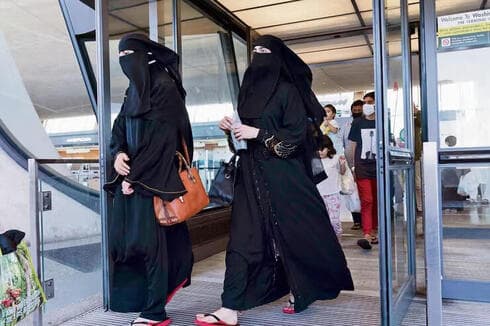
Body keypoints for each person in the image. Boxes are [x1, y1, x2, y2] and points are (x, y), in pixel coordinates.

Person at [195, 35, 353, 326]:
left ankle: (302, 288)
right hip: (251, 176)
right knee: (243, 239)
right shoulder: (247, 92)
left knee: (296, 236)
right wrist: (229, 130)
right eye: (255, 52)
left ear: (277, 57)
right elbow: (238, 144)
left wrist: (259, 134)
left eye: (264, 51)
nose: (259, 56)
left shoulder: (288, 91)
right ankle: (230, 307)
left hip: (286, 178)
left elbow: (294, 140)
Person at [103, 33, 194, 326]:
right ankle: (137, 301)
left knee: (153, 247)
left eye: (128, 55)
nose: (123, 62)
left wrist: (136, 177)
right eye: (119, 57)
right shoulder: (134, 89)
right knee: (128, 242)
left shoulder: (165, 87)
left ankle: (155, 312)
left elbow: (162, 140)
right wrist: (117, 156)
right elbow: (118, 129)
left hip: (154, 180)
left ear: (144, 56)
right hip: (131, 179)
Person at [347, 92, 378, 250]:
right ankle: (366, 233)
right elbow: (352, 146)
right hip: (362, 166)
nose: (366, 105)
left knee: (377, 200)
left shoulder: (382, 122)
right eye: (365, 102)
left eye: (370, 102)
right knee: (367, 200)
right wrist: (351, 165)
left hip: (378, 167)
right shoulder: (358, 122)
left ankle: (374, 231)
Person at [317, 135, 347, 238]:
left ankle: (337, 237)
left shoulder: (336, 158)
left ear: (329, 148)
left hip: (333, 193)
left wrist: (343, 164)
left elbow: (342, 172)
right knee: (321, 219)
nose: (320, 152)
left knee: (334, 220)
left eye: (322, 149)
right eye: (317, 149)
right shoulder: (313, 160)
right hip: (318, 194)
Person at [342, 99, 364, 230]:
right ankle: (356, 220)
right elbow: (345, 144)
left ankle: (366, 220)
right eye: (354, 110)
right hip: (350, 163)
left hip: (364, 163)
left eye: (359, 110)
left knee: (363, 192)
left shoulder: (366, 124)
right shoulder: (347, 125)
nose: (356, 112)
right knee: (351, 191)